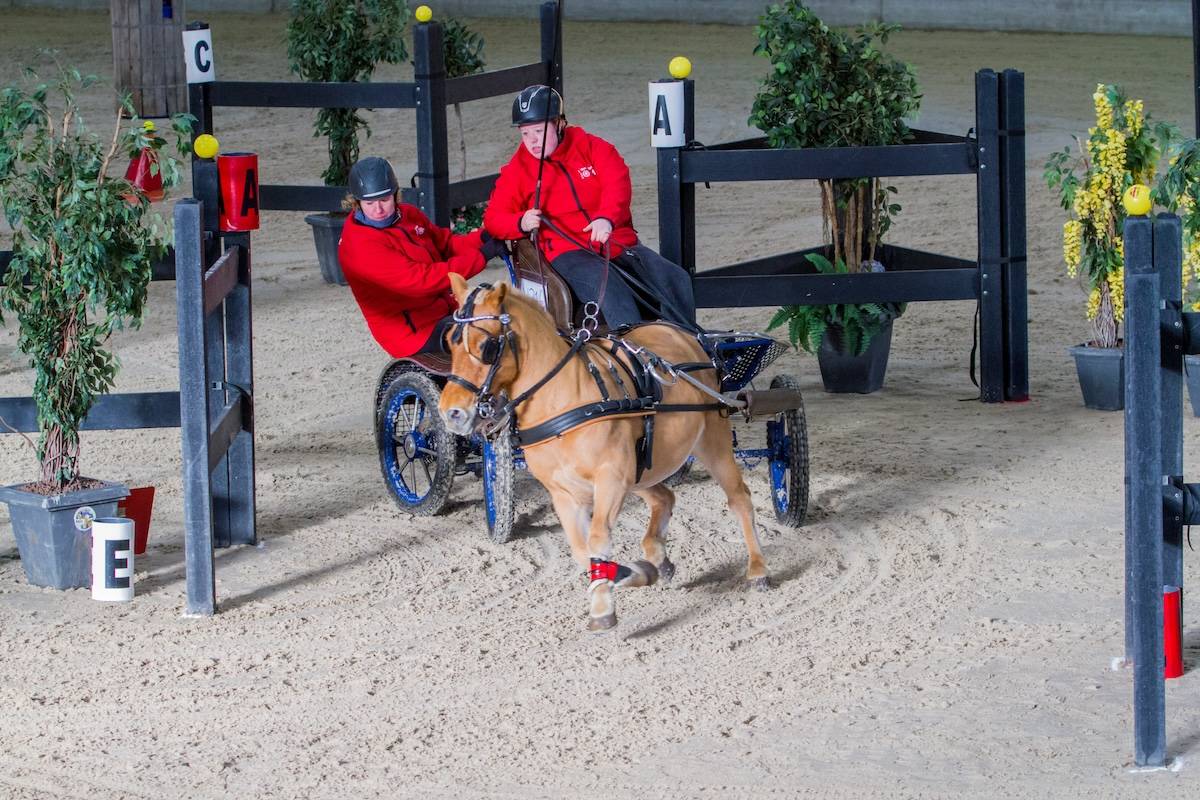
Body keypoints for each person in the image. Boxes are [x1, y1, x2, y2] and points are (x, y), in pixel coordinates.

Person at [485, 85, 697, 330]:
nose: (532, 141)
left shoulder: (591, 146)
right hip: (568, 252)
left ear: (559, 123)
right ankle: (633, 358)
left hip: (615, 241)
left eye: (539, 131)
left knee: (674, 278)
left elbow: (616, 180)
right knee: (611, 291)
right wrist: (519, 223)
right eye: (525, 134)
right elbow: (493, 217)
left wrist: (606, 218)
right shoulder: (518, 169)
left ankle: (689, 346)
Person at [338, 156, 506, 358]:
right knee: (486, 343)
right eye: (369, 203)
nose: (379, 209)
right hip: (413, 332)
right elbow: (421, 280)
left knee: (505, 315)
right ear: (357, 203)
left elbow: (445, 244)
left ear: (395, 194)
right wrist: (482, 256)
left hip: (444, 309)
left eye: (384, 200)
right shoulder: (360, 246)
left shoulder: (408, 215)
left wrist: (483, 238)